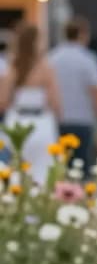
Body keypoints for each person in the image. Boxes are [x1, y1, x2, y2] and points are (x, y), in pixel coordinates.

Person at [0, 23, 61, 183]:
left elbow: (3, 101)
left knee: (16, 168)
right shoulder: (45, 67)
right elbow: (55, 101)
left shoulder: (12, 67)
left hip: (17, 121)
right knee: (42, 168)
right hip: (41, 122)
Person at [47, 16, 97, 174]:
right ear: (82, 34)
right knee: (81, 168)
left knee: (60, 168)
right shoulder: (89, 60)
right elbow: (96, 92)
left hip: (58, 119)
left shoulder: (52, 57)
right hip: (82, 119)